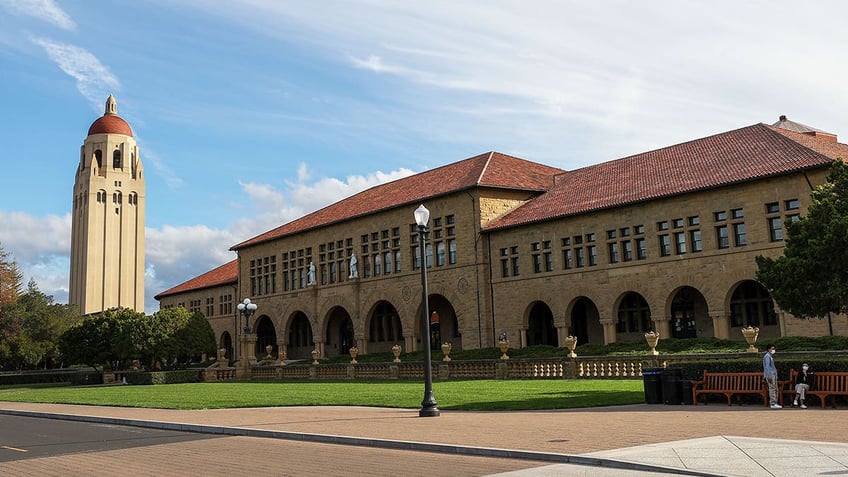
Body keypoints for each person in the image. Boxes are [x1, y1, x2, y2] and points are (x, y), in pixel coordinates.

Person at [763, 344, 781, 409]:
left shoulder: (770, 356)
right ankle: (773, 403)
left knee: (775, 389)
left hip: (773, 375)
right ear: (769, 349)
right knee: (772, 389)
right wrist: (769, 376)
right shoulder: (767, 356)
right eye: (772, 348)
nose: (773, 350)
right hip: (770, 376)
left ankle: (775, 402)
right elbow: (767, 367)